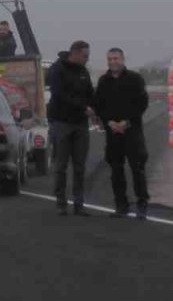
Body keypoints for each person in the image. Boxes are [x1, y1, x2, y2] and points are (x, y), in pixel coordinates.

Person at [95, 48, 151, 219]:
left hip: (132, 131)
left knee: (137, 168)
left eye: (116, 58)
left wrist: (127, 122)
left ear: (123, 59)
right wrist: (109, 122)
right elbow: (99, 105)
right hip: (112, 132)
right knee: (116, 169)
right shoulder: (103, 81)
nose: (113, 62)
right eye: (110, 59)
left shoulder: (135, 78)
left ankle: (142, 204)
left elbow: (142, 103)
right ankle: (121, 205)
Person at [47, 40, 96, 217]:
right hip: (61, 123)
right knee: (61, 165)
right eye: (85, 56)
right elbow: (60, 95)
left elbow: (90, 93)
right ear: (74, 53)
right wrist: (83, 108)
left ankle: (79, 204)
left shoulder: (83, 71)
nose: (87, 59)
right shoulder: (57, 69)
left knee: (80, 166)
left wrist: (95, 109)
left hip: (81, 125)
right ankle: (61, 203)